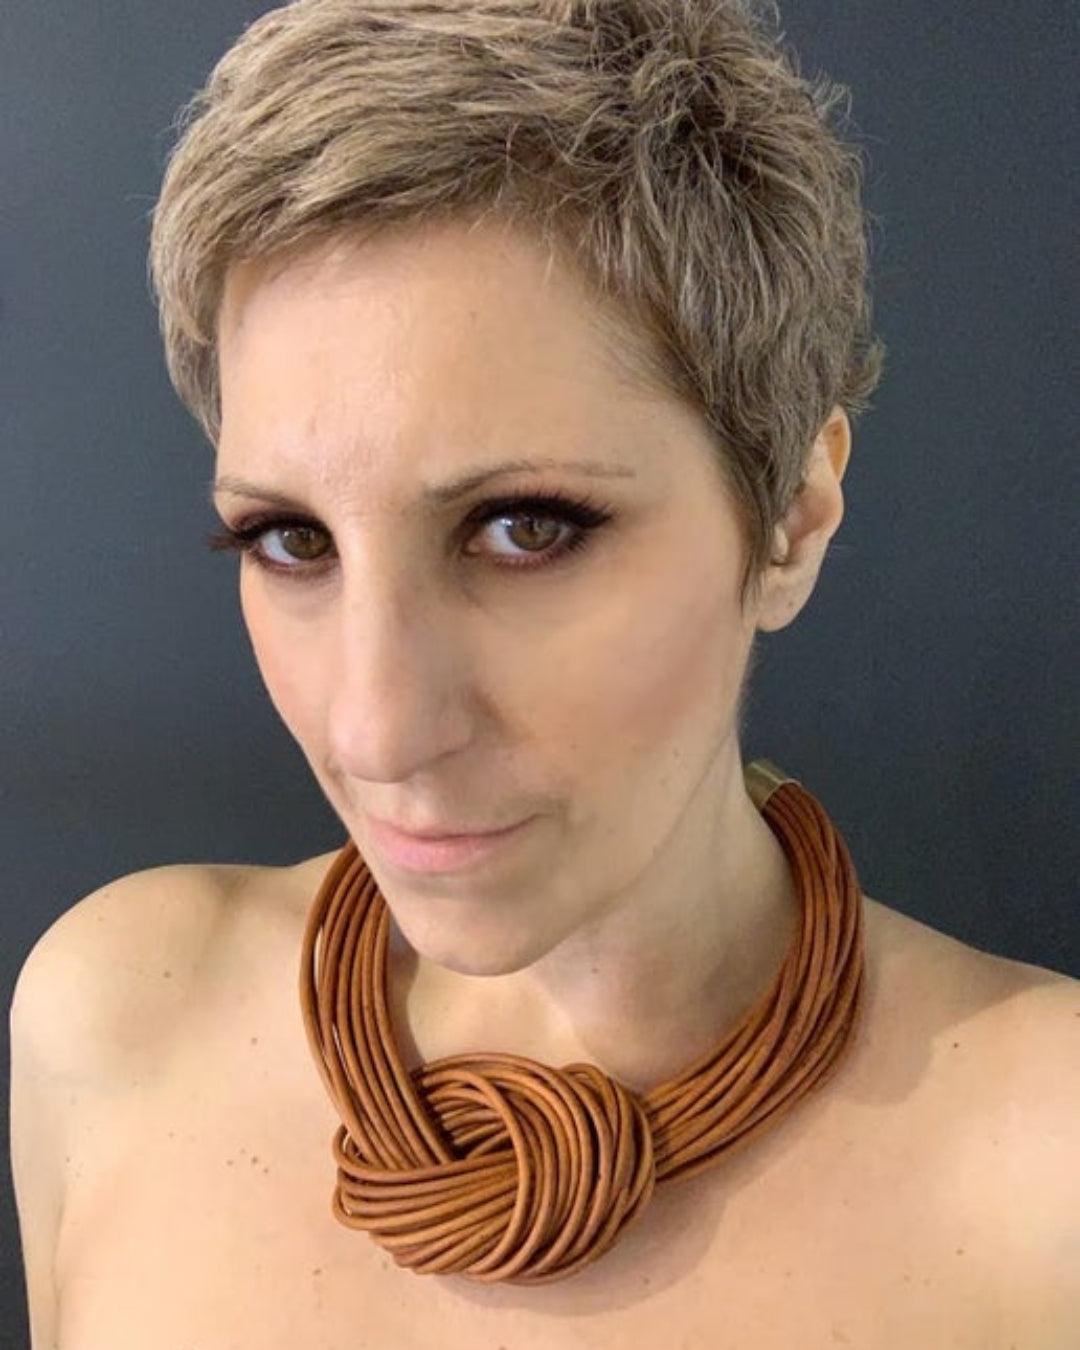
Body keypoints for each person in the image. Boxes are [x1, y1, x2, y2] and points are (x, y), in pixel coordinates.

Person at [10, 1, 1077, 1346]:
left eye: (527, 528)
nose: (378, 724)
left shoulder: (1051, 1182)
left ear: (794, 511)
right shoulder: (112, 1028)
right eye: (290, 539)